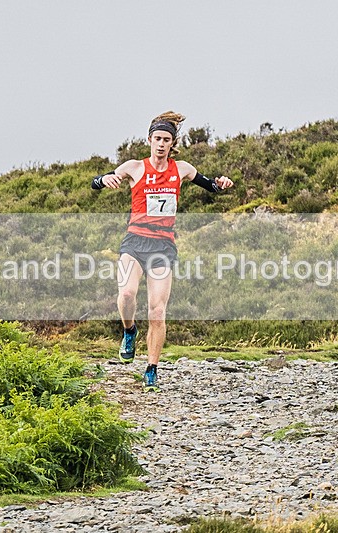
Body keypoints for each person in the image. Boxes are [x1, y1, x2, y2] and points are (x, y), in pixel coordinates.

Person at [91, 111, 234, 391]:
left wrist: (222, 184)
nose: (160, 144)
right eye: (157, 138)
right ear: (149, 140)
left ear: (172, 144)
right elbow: (98, 180)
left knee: (157, 312)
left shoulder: (181, 169)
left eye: (166, 140)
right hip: (135, 242)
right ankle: (129, 331)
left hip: (162, 246)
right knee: (127, 293)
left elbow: (211, 186)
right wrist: (104, 180)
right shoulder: (134, 167)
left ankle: (152, 369)